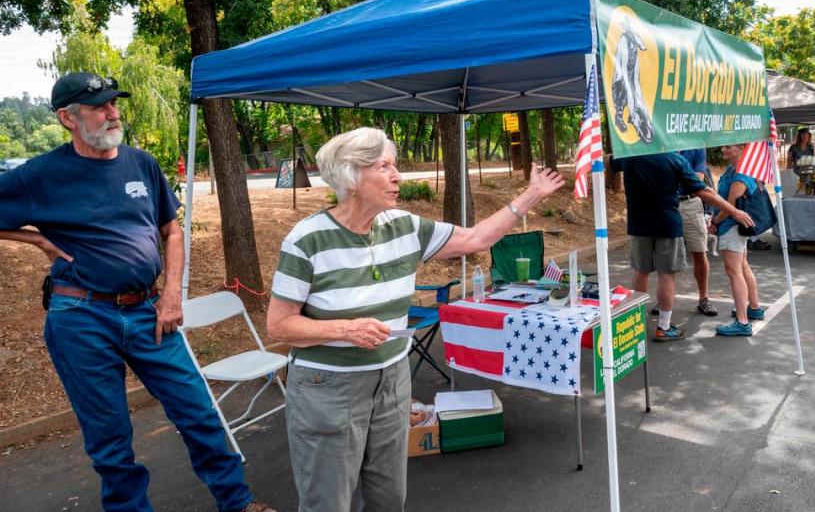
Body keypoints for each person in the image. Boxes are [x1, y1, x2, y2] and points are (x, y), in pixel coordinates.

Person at [0, 72, 273, 512]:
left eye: (114, 104)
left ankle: (238, 503)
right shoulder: (41, 174)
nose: (113, 113)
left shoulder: (140, 163)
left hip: (149, 311)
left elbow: (172, 231)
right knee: (109, 438)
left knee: (199, 411)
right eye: (100, 107)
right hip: (81, 317)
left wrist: (171, 295)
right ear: (67, 118)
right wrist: (37, 240)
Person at [267, 127, 564, 512]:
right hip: (329, 387)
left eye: (396, 166)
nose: (397, 176)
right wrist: (344, 329)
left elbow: (475, 239)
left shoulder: (405, 226)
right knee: (329, 501)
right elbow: (278, 326)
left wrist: (531, 195)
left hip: (392, 379)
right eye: (384, 167)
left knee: (390, 497)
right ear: (351, 177)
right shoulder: (307, 240)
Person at [614, 153, 754, 342]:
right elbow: (704, 192)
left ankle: (634, 323)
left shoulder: (631, 155)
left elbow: (607, 159)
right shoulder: (674, 160)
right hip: (667, 225)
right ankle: (663, 326)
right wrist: (734, 211)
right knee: (666, 274)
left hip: (639, 225)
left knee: (641, 270)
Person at [710, 145, 766, 337]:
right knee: (742, 267)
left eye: (728, 146)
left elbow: (730, 207)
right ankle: (754, 308)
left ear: (741, 148)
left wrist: (715, 222)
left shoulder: (741, 173)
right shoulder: (735, 169)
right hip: (734, 227)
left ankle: (742, 321)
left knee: (734, 271)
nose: (723, 148)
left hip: (731, 226)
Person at [676, 148, 717, 316]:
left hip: (690, 203)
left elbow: (698, 179)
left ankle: (703, 298)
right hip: (666, 203)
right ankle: (665, 299)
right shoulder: (662, 140)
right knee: (667, 252)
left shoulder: (696, 146)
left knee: (700, 251)